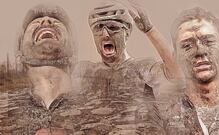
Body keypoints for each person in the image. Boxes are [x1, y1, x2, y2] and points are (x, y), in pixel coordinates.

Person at [71, 1, 177, 134]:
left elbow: (175, 73)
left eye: (113, 27)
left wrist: (150, 30)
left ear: (126, 33)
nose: (105, 34)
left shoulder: (142, 67)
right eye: (98, 28)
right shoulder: (84, 71)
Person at [0, 4, 85, 134]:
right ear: (19, 48)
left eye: (56, 19)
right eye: (36, 20)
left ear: (73, 46)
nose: (46, 21)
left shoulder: (101, 102)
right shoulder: (3, 108)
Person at [161, 7, 219, 135]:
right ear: (175, 57)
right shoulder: (160, 113)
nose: (200, 51)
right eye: (187, 46)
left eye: (208, 41)